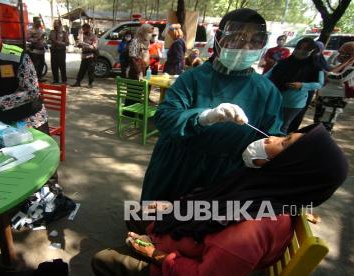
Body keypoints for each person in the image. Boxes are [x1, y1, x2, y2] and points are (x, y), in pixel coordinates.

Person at [92, 124, 348, 276]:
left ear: (295, 167)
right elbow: (217, 205)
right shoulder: (264, 190)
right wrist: (175, 208)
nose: (272, 138)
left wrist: (154, 252)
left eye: (283, 143)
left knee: (102, 259)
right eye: (284, 135)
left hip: (179, 264)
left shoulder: (252, 227)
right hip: (190, 241)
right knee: (136, 211)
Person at [140, 9, 283, 201]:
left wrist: (263, 153)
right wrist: (204, 117)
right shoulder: (192, 78)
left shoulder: (267, 91)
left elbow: (274, 136)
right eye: (238, 38)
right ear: (218, 38)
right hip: (178, 165)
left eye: (255, 40)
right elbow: (164, 118)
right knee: (156, 220)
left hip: (226, 174)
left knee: (203, 223)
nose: (246, 46)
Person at [266, 37, 324, 134]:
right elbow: (267, 76)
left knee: (283, 127)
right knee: (269, 123)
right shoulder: (283, 63)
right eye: (299, 48)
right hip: (275, 98)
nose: (301, 51)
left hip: (294, 102)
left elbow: (319, 84)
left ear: (312, 51)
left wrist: (302, 85)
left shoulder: (315, 67)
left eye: (305, 49)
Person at [314, 41, 354, 132]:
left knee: (325, 125)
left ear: (351, 53)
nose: (340, 54)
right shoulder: (347, 63)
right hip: (325, 97)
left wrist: (328, 74)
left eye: (343, 52)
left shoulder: (352, 66)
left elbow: (339, 78)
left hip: (335, 100)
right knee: (317, 123)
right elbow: (332, 70)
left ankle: (322, 145)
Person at [71, 23, 98, 88]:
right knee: (81, 70)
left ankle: (90, 84)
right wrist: (79, 45)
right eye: (83, 29)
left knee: (90, 70)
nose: (83, 30)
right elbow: (80, 44)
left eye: (84, 29)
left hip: (91, 55)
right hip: (84, 55)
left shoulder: (93, 36)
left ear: (88, 29)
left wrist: (85, 45)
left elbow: (95, 47)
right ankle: (78, 82)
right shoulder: (82, 35)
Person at [49, 19, 69, 84]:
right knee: (54, 66)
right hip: (53, 51)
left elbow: (67, 43)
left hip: (61, 51)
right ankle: (55, 80)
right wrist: (49, 42)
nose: (55, 25)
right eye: (54, 23)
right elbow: (49, 40)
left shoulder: (64, 33)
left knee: (62, 66)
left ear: (60, 24)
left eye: (56, 23)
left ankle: (64, 80)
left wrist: (58, 42)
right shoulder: (52, 32)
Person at [28, 17, 47, 81]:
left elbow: (43, 40)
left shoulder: (41, 30)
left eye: (40, 21)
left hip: (41, 50)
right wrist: (38, 39)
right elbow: (28, 39)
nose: (39, 23)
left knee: (41, 64)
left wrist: (45, 44)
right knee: (35, 65)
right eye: (38, 21)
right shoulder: (31, 30)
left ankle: (40, 77)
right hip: (34, 51)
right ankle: (34, 79)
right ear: (34, 22)